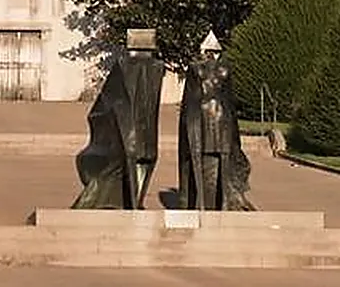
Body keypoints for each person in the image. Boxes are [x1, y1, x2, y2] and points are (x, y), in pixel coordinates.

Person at [73, 28, 166, 209]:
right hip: (144, 129)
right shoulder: (155, 67)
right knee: (144, 161)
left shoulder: (128, 65)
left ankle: (133, 202)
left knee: (138, 161)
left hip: (132, 129)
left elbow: (108, 98)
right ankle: (134, 202)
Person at [178, 30, 254, 211]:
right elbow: (229, 100)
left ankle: (203, 203)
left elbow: (189, 100)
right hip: (223, 118)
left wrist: (185, 127)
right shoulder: (226, 68)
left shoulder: (195, 68)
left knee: (203, 161)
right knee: (222, 162)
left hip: (201, 118)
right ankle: (224, 202)